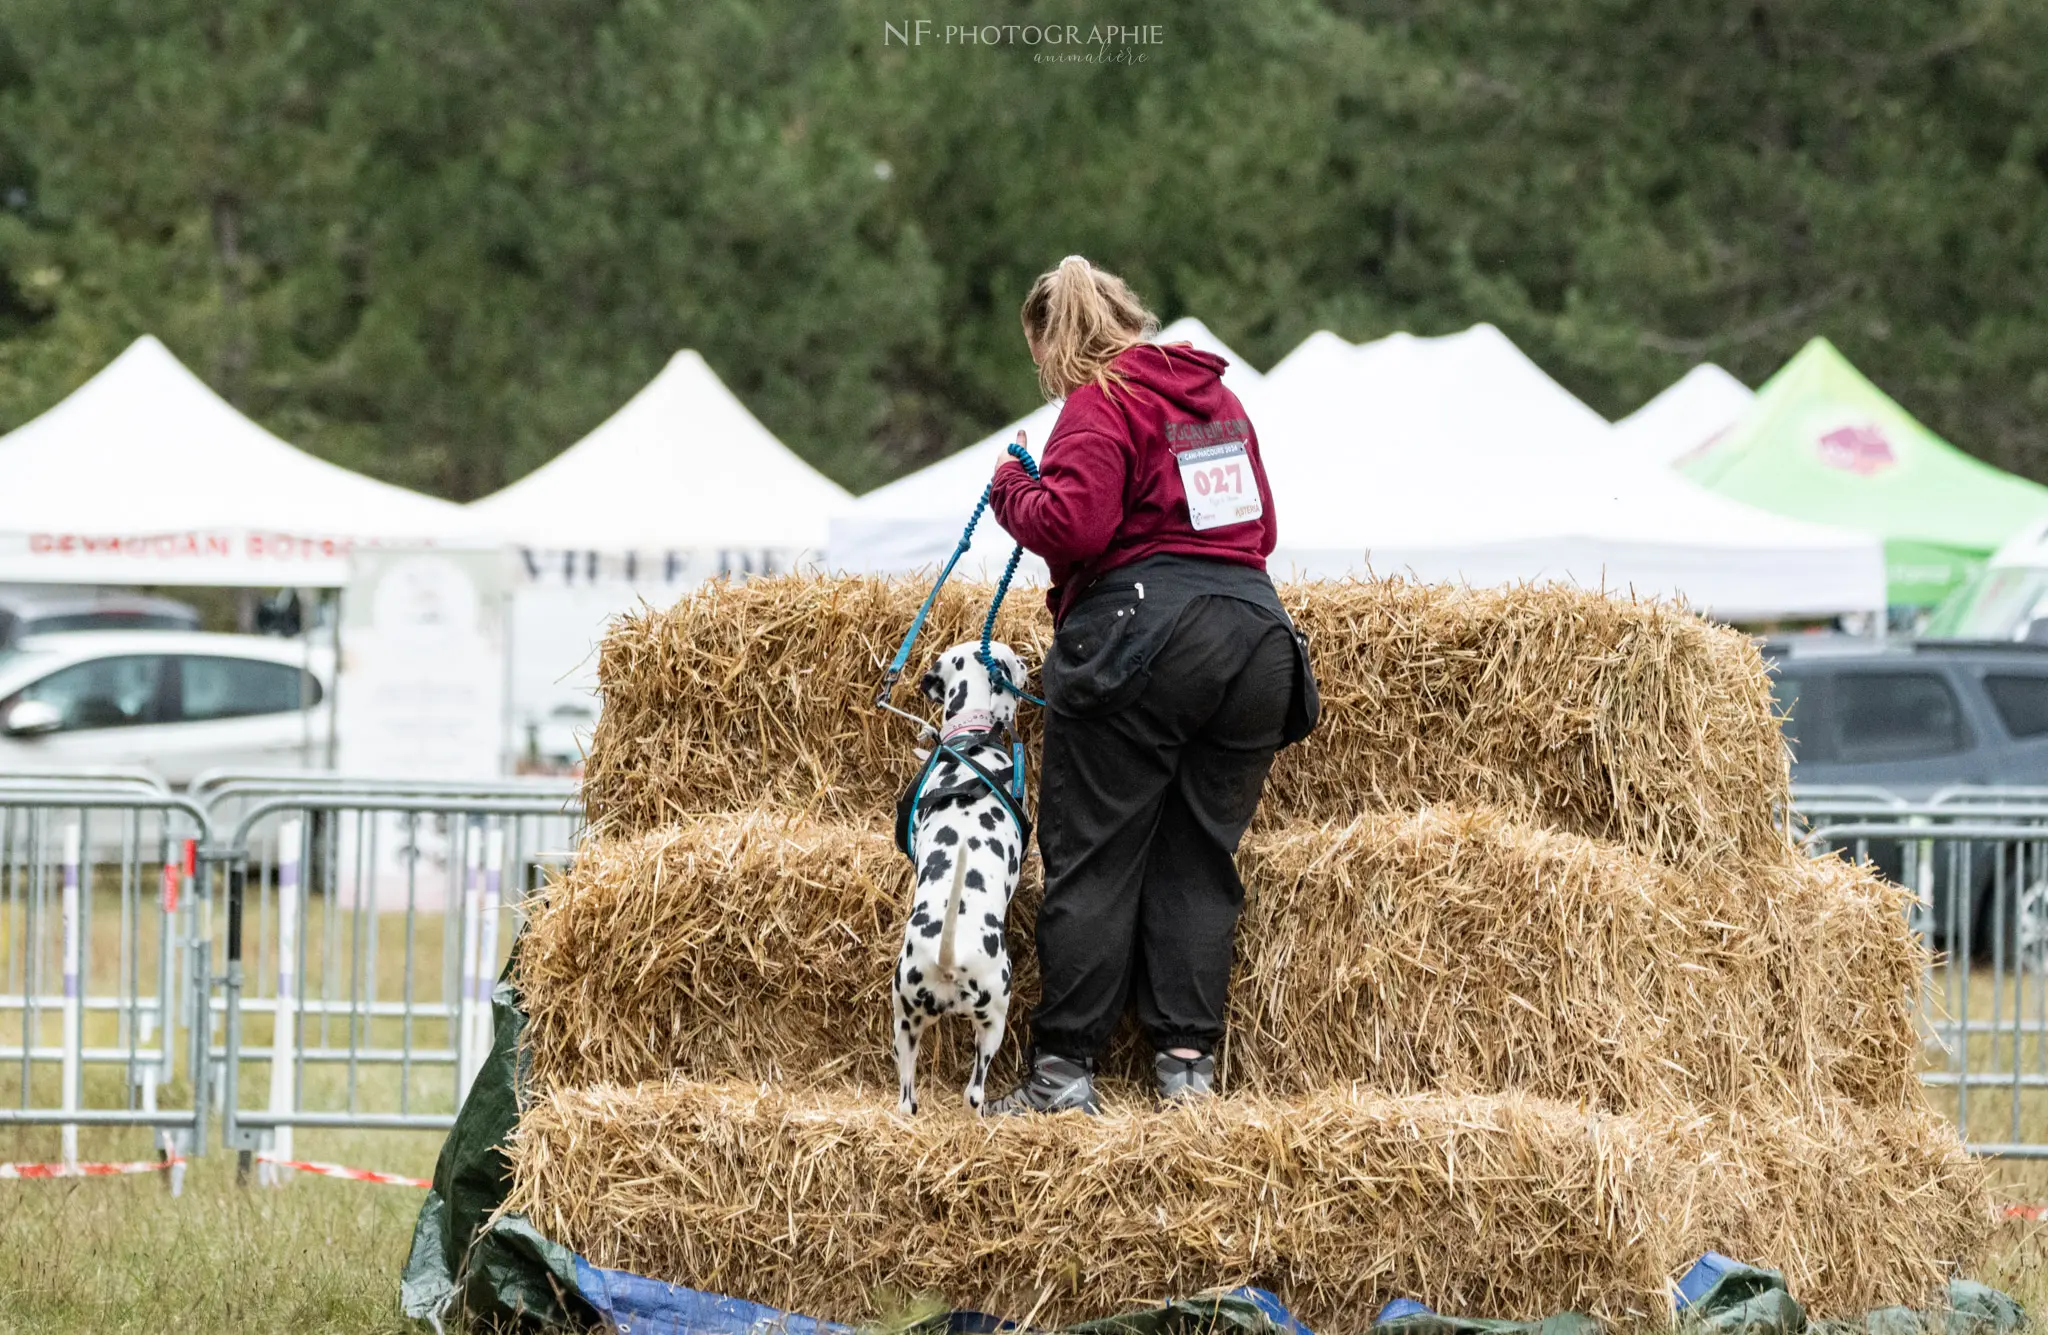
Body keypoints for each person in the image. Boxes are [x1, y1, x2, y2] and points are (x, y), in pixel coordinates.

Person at [982, 256, 1318, 1115]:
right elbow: (1261, 528)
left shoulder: (1101, 402)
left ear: (1054, 345)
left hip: (1145, 638)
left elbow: (1073, 522)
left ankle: (1063, 1073)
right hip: (1255, 642)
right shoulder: (1214, 400)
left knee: (1095, 858)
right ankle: (1185, 1067)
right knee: (1198, 858)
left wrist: (1012, 487)